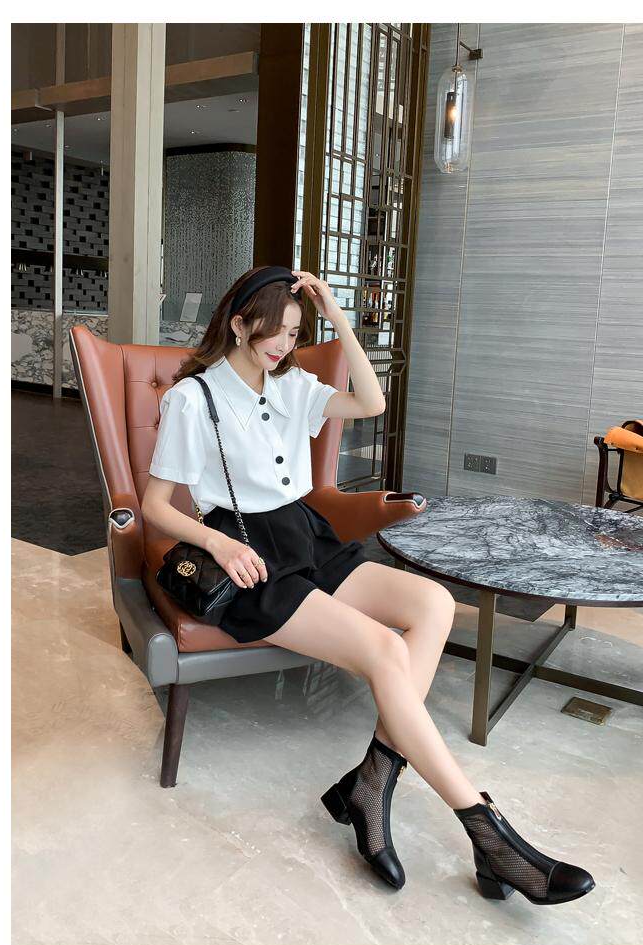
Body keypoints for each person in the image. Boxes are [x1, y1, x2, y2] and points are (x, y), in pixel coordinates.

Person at [142, 265, 595, 905]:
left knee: (433, 603)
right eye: (275, 332)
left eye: (295, 333)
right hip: (250, 556)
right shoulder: (194, 399)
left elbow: (372, 402)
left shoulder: (292, 385)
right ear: (239, 325)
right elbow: (155, 505)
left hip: (306, 535)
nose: (284, 345)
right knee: (385, 649)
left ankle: (372, 782)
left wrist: (336, 314)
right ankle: (490, 834)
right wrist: (219, 543)